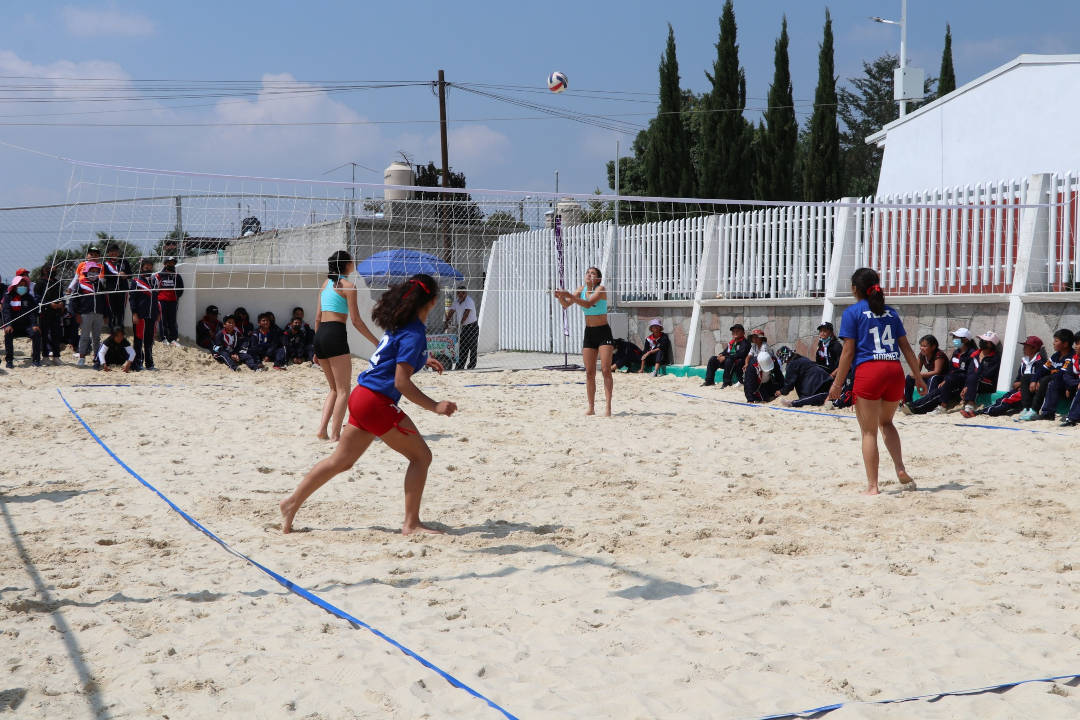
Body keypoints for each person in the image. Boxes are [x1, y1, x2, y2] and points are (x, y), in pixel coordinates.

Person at [280, 273, 456, 535]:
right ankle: (411, 524)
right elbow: (401, 383)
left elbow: (393, 356)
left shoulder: (400, 325)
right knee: (421, 457)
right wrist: (435, 406)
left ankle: (291, 503)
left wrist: (423, 358)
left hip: (362, 396)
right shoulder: (415, 332)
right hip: (376, 402)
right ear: (430, 302)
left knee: (341, 461)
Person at [828, 268, 925, 495]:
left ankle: (873, 486)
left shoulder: (853, 312)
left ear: (854, 289)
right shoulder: (891, 313)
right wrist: (918, 377)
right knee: (887, 423)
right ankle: (900, 468)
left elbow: (848, 353)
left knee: (869, 432)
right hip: (894, 370)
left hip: (869, 371)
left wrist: (837, 384)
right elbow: (907, 349)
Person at [314, 250, 380, 441]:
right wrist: (376, 342)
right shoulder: (348, 286)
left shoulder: (326, 284)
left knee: (334, 389)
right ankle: (335, 434)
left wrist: (316, 347)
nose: (354, 262)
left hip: (320, 336)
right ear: (347, 265)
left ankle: (322, 429)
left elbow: (317, 317)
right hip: (335, 333)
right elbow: (357, 321)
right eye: (352, 260)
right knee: (343, 389)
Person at [554, 266, 614, 416]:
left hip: (603, 331)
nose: (589, 275)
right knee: (589, 372)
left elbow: (587, 304)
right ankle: (591, 407)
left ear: (598, 278)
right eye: (587, 272)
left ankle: (608, 407)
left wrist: (568, 294)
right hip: (589, 333)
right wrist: (560, 297)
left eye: (593, 273)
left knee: (606, 370)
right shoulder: (581, 289)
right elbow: (566, 305)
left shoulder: (601, 289)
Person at [906, 328, 979, 415]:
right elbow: (951, 369)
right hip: (950, 380)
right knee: (938, 390)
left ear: (965, 340)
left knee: (937, 386)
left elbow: (972, 373)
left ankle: (923, 407)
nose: (954, 340)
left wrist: (967, 386)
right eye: (954, 338)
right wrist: (945, 380)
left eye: (957, 338)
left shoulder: (972, 353)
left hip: (959, 383)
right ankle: (912, 405)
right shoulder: (956, 352)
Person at [69, 246, 109, 368]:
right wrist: (76, 314)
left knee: (97, 338)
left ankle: (97, 358)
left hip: (98, 314)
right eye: (91, 271)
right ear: (86, 271)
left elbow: (104, 301)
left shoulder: (100, 286)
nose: (94, 273)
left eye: (96, 271)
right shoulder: (81, 285)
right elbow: (74, 301)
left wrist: (106, 315)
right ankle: (81, 357)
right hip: (85, 314)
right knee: (85, 337)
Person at [1034, 329, 1080, 422]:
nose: (1053, 343)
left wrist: (1070, 386)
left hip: (1069, 387)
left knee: (1049, 381)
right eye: (1075, 343)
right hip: (1070, 385)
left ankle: (1071, 418)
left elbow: (1062, 374)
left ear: (1065, 344)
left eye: (1056, 341)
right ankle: (1041, 412)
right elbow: (1067, 375)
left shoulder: (1070, 357)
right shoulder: (1057, 356)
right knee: (1035, 379)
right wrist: (1034, 380)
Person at [2, 274, 41, 368]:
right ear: (15, 286)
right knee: (8, 334)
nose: (22, 287)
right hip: (13, 326)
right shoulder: (8, 297)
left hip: (26, 326)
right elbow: (6, 312)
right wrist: (8, 324)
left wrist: (34, 324)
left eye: (24, 285)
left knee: (36, 333)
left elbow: (32, 313)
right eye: (20, 285)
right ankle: (9, 360)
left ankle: (36, 359)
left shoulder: (29, 298)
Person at [959, 331, 1001, 417]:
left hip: (988, 384)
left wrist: (972, 382)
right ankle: (967, 402)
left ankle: (970, 404)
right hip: (974, 382)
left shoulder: (995, 358)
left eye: (985, 341)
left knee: (975, 377)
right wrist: (966, 386)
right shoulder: (975, 355)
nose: (982, 342)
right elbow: (970, 372)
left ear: (991, 344)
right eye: (982, 339)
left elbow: (988, 374)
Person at [902, 334, 949, 408]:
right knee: (909, 377)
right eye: (921, 346)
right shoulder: (922, 355)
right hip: (930, 377)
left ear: (933, 347)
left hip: (941, 379)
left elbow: (937, 371)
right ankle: (906, 402)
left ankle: (928, 404)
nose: (922, 348)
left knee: (933, 378)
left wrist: (920, 375)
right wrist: (916, 377)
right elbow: (917, 370)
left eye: (925, 346)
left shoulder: (939, 354)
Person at [128, 258, 157, 371]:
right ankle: (138, 363)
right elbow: (132, 299)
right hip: (140, 316)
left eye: (150, 267)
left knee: (149, 341)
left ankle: (149, 363)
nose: (148, 269)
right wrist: (134, 314)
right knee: (138, 340)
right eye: (146, 267)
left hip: (151, 316)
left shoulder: (154, 281)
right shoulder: (136, 281)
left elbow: (155, 299)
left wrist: (157, 313)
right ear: (142, 268)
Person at [1012, 336, 1049, 421]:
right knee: (1005, 398)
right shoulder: (1024, 360)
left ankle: (1029, 410)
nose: (1023, 348)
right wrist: (1018, 383)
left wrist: (1021, 383)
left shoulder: (1040, 361)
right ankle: (1026, 409)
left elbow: (1041, 376)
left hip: (1031, 390)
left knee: (1005, 401)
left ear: (1034, 348)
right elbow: (1017, 379)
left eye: (1026, 346)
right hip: (1022, 390)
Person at [742, 330, 784, 402]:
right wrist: (746, 364)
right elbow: (748, 356)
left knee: (773, 378)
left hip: (769, 364)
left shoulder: (765, 347)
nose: (754, 339)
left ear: (761, 338)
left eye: (756, 337)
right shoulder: (754, 346)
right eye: (753, 337)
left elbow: (762, 358)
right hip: (758, 365)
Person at [37, 265, 66, 365]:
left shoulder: (57, 282)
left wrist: (62, 303)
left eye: (55, 269)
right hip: (44, 313)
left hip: (56, 313)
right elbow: (37, 298)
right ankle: (45, 356)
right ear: (45, 270)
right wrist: (49, 304)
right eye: (51, 269)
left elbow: (61, 295)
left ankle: (56, 356)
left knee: (56, 335)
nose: (54, 270)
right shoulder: (40, 282)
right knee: (44, 335)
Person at [445, 286, 478, 370]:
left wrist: (460, 324)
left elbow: (466, 313)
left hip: (472, 326)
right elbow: (451, 311)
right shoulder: (456, 302)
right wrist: (447, 321)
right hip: (463, 327)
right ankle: (460, 365)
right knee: (463, 346)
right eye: (459, 293)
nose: (461, 294)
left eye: (463, 293)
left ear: (466, 293)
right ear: (457, 294)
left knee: (472, 346)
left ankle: (472, 365)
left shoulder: (469, 301)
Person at [154, 257, 184, 345]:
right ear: (165, 264)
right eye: (169, 263)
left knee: (172, 320)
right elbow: (155, 288)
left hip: (173, 301)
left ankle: (173, 339)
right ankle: (164, 338)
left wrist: (176, 296)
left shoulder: (177, 276)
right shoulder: (159, 275)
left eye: (173, 263)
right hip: (161, 300)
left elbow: (181, 288)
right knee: (162, 319)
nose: (171, 264)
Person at [101, 245, 131, 329]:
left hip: (123, 289)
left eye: (115, 251)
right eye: (111, 251)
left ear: (118, 252)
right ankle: (112, 329)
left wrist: (125, 275)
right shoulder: (105, 263)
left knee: (121, 310)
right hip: (110, 289)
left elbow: (130, 274)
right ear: (108, 253)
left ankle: (120, 329)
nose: (114, 253)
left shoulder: (124, 262)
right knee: (111, 310)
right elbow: (105, 275)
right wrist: (117, 275)